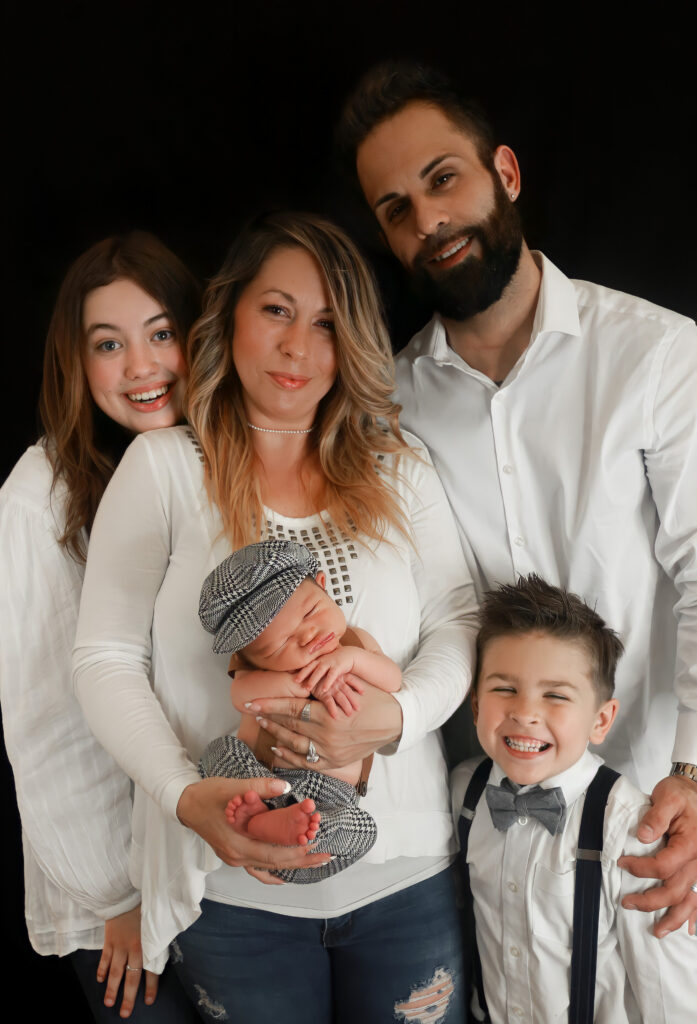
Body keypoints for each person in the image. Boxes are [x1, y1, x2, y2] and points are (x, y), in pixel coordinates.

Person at [73, 211, 478, 1024]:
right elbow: (104, 656)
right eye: (277, 311)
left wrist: (393, 717)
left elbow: (460, 619)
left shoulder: (398, 468)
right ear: (230, 316)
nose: (298, 346)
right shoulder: (165, 469)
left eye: (327, 322)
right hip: (231, 896)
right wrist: (185, 797)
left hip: (405, 879)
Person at [337, 60, 697, 934]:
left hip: (658, 816)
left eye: (442, 179)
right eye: (395, 209)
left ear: (503, 172)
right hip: (487, 841)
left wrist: (695, 778)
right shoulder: (385, 404)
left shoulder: (654, 356)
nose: (428, 220)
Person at [0, 233, 203, 1020]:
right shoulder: (38, 500)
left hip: (201, 863)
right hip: (116, 897)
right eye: (108, 344)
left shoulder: (204, 462)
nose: (141, 366)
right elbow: (48, 729)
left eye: (160, 333)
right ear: (76, 364)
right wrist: (119, 892)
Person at [451, 576, 696, 1023]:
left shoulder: (632, 828)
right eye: (504, 689)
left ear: (600, 720)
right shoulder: (462, 793)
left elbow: (670, 997)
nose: (525, 713)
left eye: (556, 696)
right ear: (474, 705)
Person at [197, 538, 403, 880]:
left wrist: (351, 660)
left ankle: (277, 828)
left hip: (330, 794)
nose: (308, 635)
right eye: (281, 643)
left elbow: (394, 681)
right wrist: (306, 683)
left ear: (323, 586)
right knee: (216, 755)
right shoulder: (258, 673)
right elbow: (241, 696)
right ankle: (264, 820)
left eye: (310, 612)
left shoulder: (357, 644)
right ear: (247, 658)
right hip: (260, 777)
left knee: (360, 830)